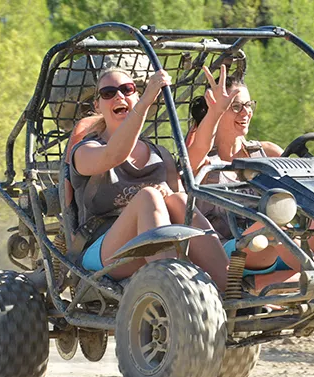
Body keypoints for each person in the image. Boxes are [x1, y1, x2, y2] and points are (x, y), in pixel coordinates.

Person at [68, 67, 229, 290]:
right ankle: (178, 291)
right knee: (149, 197)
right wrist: (145, 102)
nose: (119, 96)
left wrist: (216, 113)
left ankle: (231, 290)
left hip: (158, 250)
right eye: (108, 93)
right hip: (103, 252)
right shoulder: (85, 151)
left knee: (180, 200)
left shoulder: (159, 154)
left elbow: (195, 157)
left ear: (135, 94)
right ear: (97, 105)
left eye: (127, 89)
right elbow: (113, 155)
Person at [187, 65, 314, 274]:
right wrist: (215, 112)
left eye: (249, 105)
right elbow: (197, 151)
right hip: (230, 252)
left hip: (281, 246)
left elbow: (308, 186)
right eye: (236, 107)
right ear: (216, 109)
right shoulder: (202, 159)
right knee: (272, 224)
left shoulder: (266, 152)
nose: (246, 112)